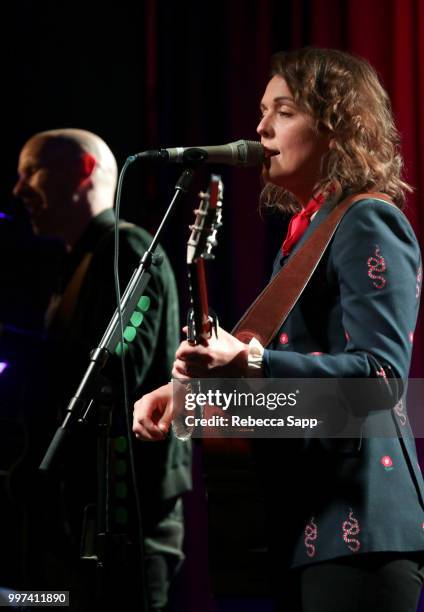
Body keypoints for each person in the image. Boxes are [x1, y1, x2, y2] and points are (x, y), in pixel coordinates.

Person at [133, 47, 424, 612]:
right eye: (263, 110)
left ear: (338, 127)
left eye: (284, 111)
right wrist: (188, 400)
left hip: (359, 530)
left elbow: (381, 378)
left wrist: (251, 362)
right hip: (299, 530)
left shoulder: (367, 219)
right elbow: (299, 402)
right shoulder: (304, 235)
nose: (261, 127)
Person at [12, 129, 191, 611]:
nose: (18, 189)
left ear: (85, 171)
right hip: (86, 512)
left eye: (32, 171)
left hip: (126, 515)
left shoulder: (126, 249)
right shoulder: (81, 260)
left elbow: (119, 367)